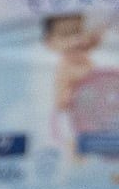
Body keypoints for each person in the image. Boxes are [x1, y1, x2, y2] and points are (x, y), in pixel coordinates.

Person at [42, 11, 109, 146]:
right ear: (50, 42)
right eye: (66, 35)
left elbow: (94, 39)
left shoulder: (82, 54)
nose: (75, 40)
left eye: (79, 32)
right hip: (72, 118)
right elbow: (61, 101)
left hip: (93, 115)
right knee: (75, 146)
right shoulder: (66, 66)